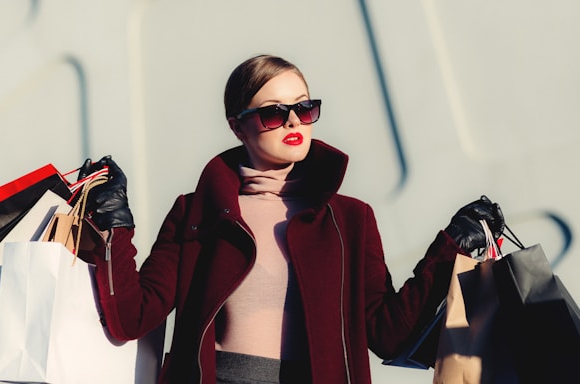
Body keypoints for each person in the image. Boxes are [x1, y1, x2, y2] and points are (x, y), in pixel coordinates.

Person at [77, 54, 505, 384]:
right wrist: (113, 226)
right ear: (238, 127)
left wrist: (450, 248)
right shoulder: (197, 212)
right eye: (273, 113)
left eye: (304, 107)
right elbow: (131, 317)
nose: (294, 122)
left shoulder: (350, 219)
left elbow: (387, 334)